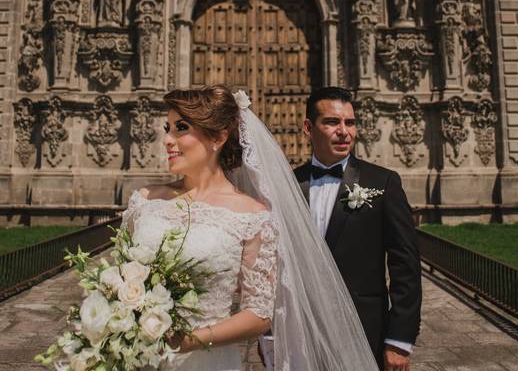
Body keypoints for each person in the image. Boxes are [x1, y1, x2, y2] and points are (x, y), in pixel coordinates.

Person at [121, 86, 375, 370]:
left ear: (218, 137)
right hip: (133, 357)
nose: (167, 140)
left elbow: (259, 313)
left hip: (202, 360)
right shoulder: (144, 200)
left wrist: (186, 340)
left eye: (181, 128)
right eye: (168, 128)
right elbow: (116, 278)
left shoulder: (253, 215)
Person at [294, 86, 422, 371]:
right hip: (301, 330)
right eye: (331, 122)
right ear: (307, 127)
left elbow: (406, 264)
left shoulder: (383, 182)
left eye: (349, 122)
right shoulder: (290, 185)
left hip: (365, 330)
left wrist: (399, 339)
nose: (344, 131)